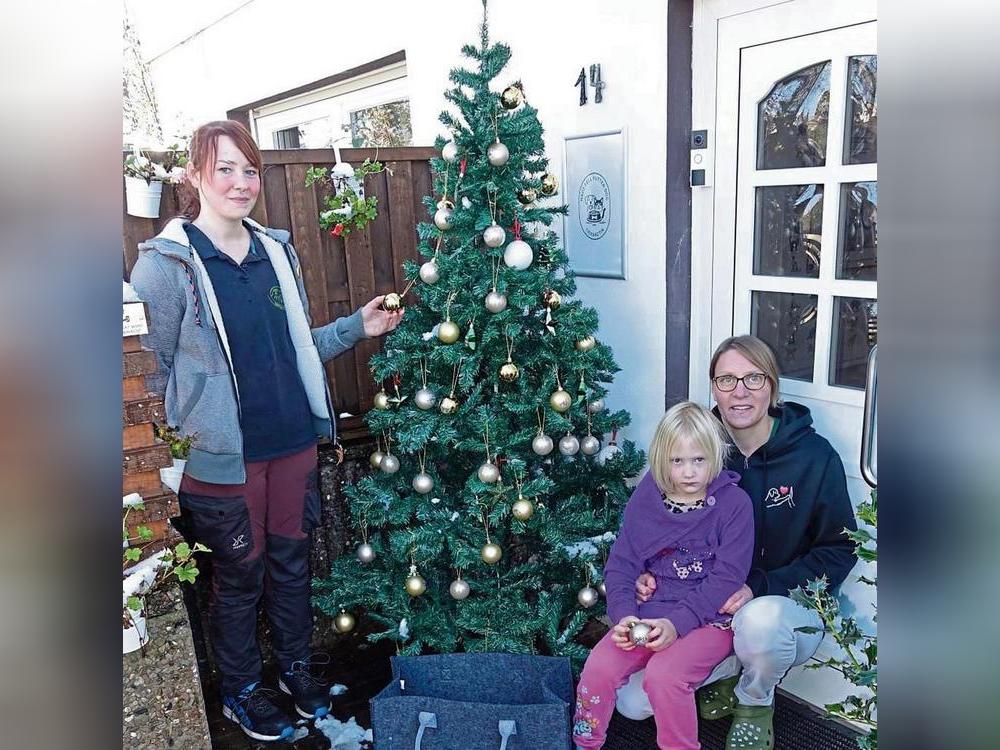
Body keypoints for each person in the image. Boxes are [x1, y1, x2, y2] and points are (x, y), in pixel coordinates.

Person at [130, 120, 403, 742]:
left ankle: (296, 669)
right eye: (224, 169)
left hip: (292, 445)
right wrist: (179, 447)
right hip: (223, 461)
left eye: (249, 170)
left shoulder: (275, 252)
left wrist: (355, 329)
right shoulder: (166, 268)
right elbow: (152, 370)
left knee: (291, 566)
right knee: (239, 578)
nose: (240, 182)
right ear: (194, 176)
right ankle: (241, 691)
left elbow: (295, 347)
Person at [621, 335, 858, 750]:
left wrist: (759, 586)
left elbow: (839, 549)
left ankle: (754, 699)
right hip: (705, 607)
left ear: (773, 386)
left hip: (780, 608)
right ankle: (727, 674)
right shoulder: (695, 450)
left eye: (754, 378)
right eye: (727, 380)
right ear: (714, 388)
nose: (740, 391)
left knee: (760, 621)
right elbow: (650, 526)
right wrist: (644, 572)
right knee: (632, 704)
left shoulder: (814, 457)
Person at [573, 402, 753, 750]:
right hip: (648, 612)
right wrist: (623, 616)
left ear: (715, 455)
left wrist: (676, 624)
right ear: (661, 459)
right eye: (677, 461)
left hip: (707, 619)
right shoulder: (648, 496)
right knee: (599, 667)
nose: (689, 472)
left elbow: (727, 577)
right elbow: (622, 563)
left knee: (665, 677)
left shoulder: (734, 505)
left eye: (699, 460)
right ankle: (585, 743)